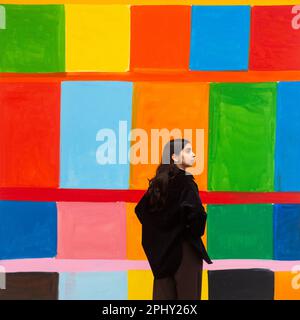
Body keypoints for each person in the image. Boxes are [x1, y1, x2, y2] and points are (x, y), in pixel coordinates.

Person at [134, 138, 213, 300]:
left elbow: (140, 210)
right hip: (185, 251)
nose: (194, 155)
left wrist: (162, 233)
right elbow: (197, 214)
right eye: (188, 151)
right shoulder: (186, 182)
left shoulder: (158, 184)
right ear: (174, 157)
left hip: (163, 254)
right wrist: (187, 229)